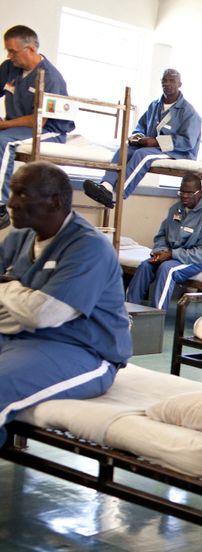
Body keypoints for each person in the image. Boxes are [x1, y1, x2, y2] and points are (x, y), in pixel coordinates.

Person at [0, 162, 131, 443]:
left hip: (83, 350)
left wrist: (6, 289)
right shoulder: (20, 237)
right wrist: (18, 298)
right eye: (12, 192)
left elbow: (43, 314)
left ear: (54, 202)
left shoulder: (89, 247)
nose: (11, 203)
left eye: (22, 194)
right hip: (21, 338)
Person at [83, 69, 200, 207]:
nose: (167, 84)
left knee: (142, 154)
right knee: (126, 148)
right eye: (164, 80)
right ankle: (106, 187)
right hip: (153, 147)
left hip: (178, 152)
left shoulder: (189, 112)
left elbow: (187, 142)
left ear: (179, 84)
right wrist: (137, 137)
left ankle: (116, 195)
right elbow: (141, 126)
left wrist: (155, 142)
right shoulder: (154, 105)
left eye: (171, 81)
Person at [0, 25, 73, 230]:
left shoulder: (50, 78)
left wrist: (4, 125)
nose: (9, 55)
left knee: (3, 142)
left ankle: (0, 206)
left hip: (48, 130)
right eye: (8, 51)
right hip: (16, 127)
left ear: (31, 49)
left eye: (13, 51)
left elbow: (39, 121)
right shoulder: (9, 68)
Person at [124, 175, 202, 310]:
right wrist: (161, 251)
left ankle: (156, 316)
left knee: (167, 269)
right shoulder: (176, 209)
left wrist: (171, 254)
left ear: (200, 193)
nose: (184, 196)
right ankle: (127, 312)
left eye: (189, 193)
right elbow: (161, 236)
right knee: (145, 266)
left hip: (196, 260)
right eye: (182, 192)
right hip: (171, 255)